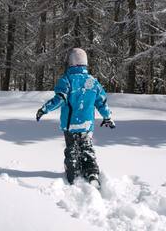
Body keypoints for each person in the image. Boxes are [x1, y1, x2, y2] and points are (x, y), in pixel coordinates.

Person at [36, 48, 115, 188]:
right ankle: (92, 173)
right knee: (87, 148)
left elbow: (59, 99)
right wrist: (107, 116)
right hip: (86, 125)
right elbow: (101, 101)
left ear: (71, 62)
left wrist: (44, 109)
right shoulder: (92, 82)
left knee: (72, 149)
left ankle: (72, 175)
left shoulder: (67, 80)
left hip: (70, 125)